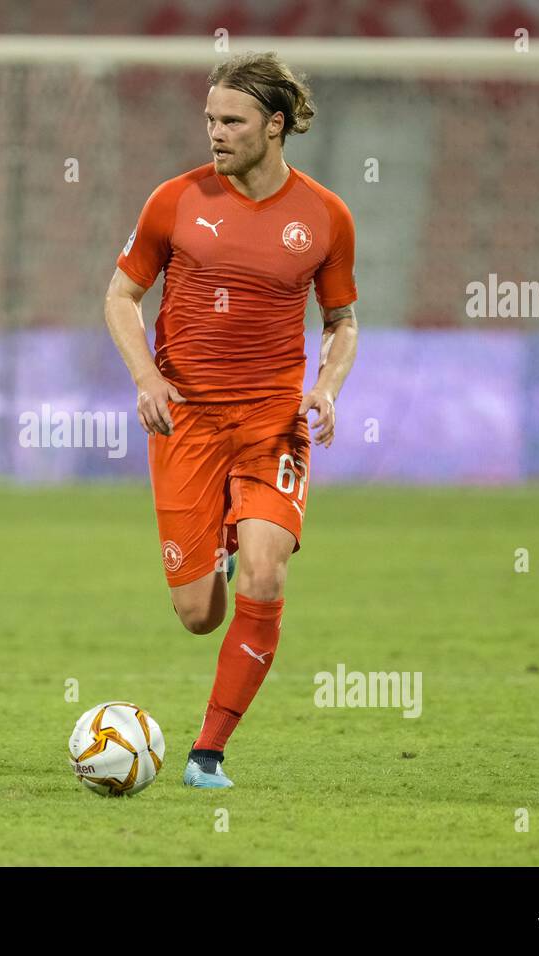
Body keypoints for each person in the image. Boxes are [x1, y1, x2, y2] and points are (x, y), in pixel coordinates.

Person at [104, 52, 360, 788]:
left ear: (274, 126)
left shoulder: (325, 216)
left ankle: (206, 753)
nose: (214, 132)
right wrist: (147, 377)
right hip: (186, 423)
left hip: (273, 422)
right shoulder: (175, 200)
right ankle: (214, 538)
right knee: (196, 614)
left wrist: (328, 386)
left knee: (266, 571)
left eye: (231, 120)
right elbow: (120, 298)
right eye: (210, 119)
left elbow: (342, 320)